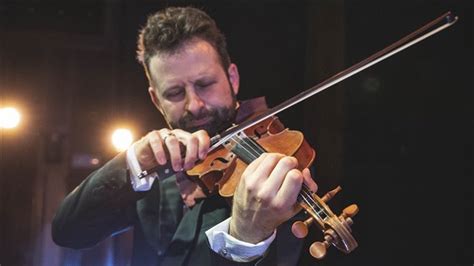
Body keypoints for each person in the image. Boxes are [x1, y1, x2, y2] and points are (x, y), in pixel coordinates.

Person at [52, 6, 318, 265]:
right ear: (156, 100)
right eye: (175, 93)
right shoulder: (154, 167)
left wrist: (246, 238)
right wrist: (133, 162)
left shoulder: (275, 158)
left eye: (205, 84)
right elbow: (68, 231)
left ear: (232, 78)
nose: (194, 105)